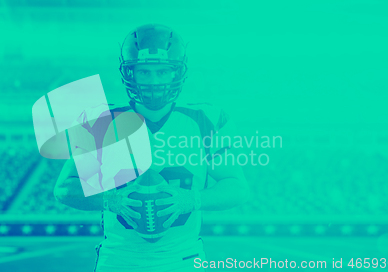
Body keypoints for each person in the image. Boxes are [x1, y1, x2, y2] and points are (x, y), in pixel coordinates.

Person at [54, 23, 250, 272]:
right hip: (119, 259)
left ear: (176, 73)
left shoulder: (206, 119)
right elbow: (64, 187)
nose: (153, 81)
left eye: (162, 71)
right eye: (144, 72)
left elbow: (237, 187)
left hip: (184, 259)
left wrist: (193, 199)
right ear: (130, 73)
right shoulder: (101, 121)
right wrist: (109, 200)